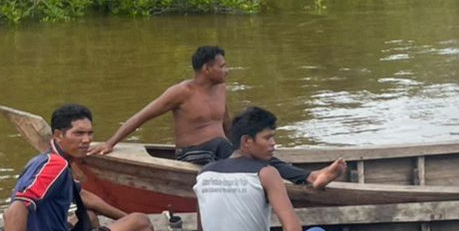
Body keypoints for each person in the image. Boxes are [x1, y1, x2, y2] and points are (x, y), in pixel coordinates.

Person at [90, 45, 347, 187]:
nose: (227, 70)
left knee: (250, 147)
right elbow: (141, 117)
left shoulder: (221, 88)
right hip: (193, 153)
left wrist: (244, 143)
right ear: (207, 68)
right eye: (222, 66)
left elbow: (226, 122)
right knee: (228, 147)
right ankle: (311, 177)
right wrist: (110, 143)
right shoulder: (181, 92)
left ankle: (305, 175)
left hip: (221, 148)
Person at [4, 103, 160, 231]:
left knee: (92, 216)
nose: (86, 140)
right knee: (141, 222)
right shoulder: (55, 166)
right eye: (78, 134)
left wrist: (124, 218)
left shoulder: (47, 160)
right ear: (58, 135)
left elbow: (85, 197)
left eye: (89, 133)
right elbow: (14, 212)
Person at [195, 106, 333, 231]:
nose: (273, 144)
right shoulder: (266, 173)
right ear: (246, 141)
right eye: (267, 137)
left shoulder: (204, 174)